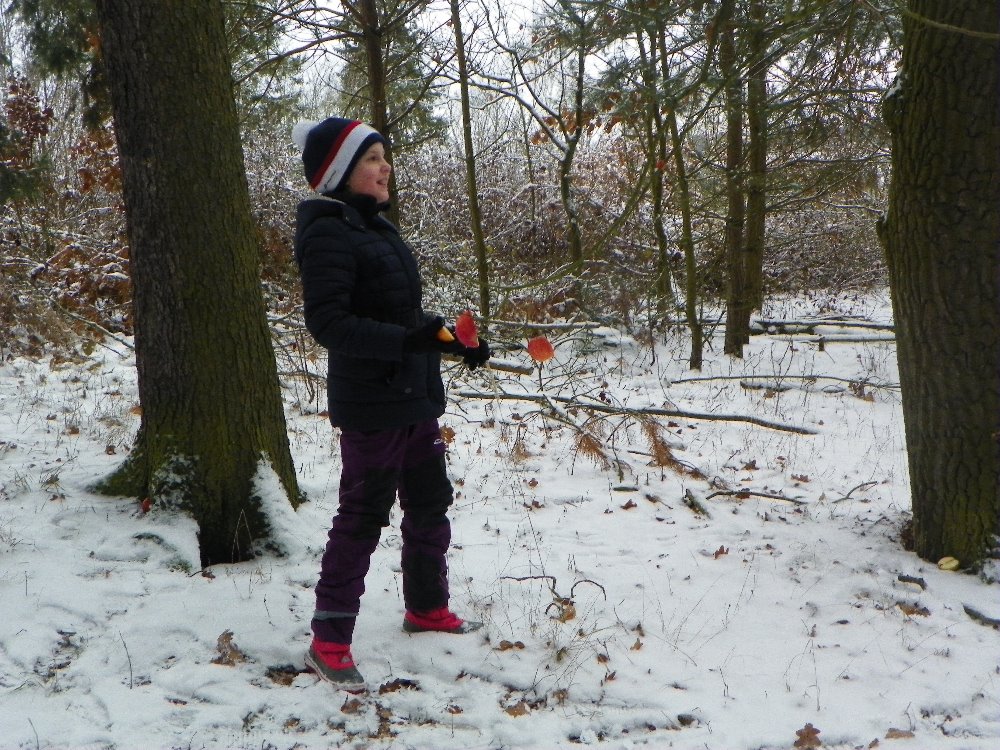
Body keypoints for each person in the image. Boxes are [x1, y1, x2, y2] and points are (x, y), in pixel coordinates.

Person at [291, 117, 490, 692]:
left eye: (383, 156)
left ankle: (426, 608)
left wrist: (448, 341)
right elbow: (330, 323)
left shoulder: (376, 228)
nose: (385, 168)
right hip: (373, 402)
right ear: (340, 171)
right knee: (363, 515)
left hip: (414, 397)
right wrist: (411, 340)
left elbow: (400, 314)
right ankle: (329, 641)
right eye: (372, 158)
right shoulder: (328, 233)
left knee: (430, 502)